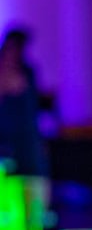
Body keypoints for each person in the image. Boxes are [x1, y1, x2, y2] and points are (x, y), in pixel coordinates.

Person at [0, 25, 49, 178]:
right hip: (6, 137)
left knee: (34, 178)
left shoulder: (28, 72)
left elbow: (33, 108)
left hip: (28, 137)